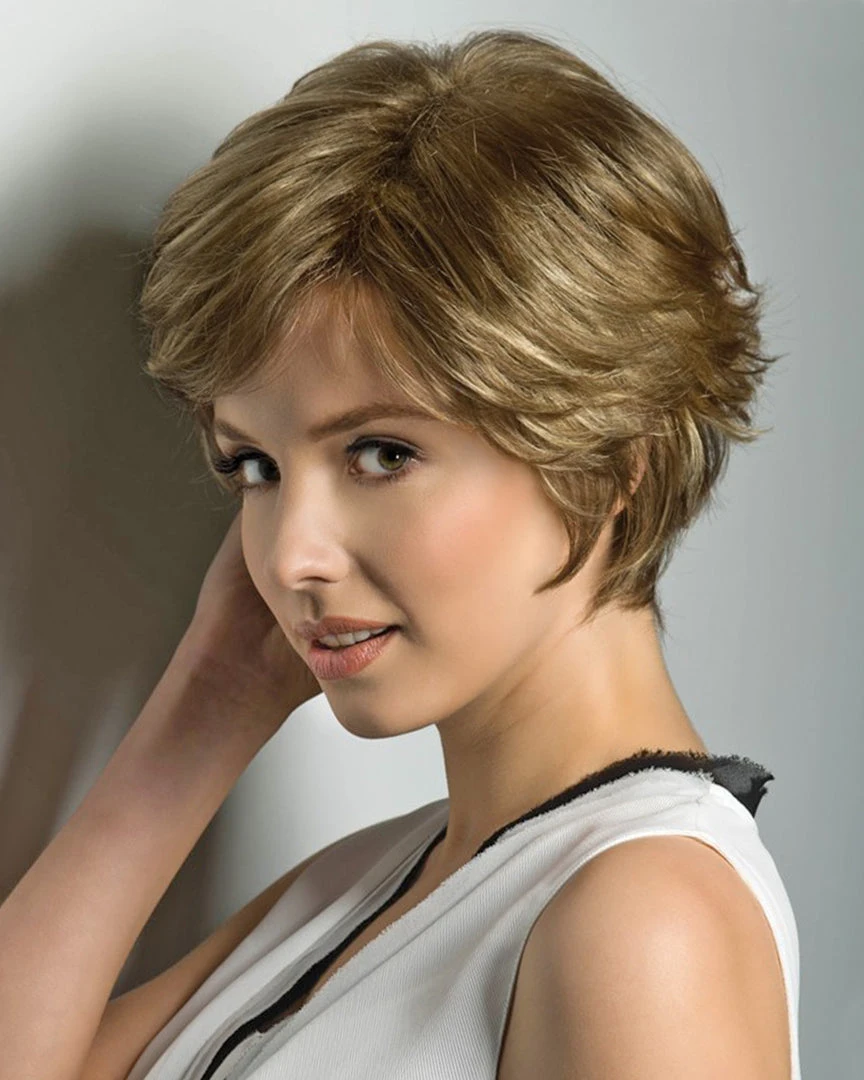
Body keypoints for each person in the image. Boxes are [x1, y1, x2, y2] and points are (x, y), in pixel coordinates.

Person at [0, 27, 800, 1080]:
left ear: (611, 458)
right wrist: (209, 701)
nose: (292, 553)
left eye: (381, 453)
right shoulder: (371, 887)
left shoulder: (645, 922)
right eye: (256, 466)